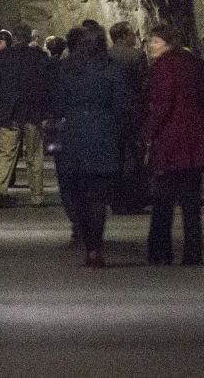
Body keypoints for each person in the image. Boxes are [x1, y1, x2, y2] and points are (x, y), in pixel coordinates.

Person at [54, 25, 134, 267]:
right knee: (98, 195)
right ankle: (94, 247)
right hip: (103, 135)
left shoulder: (66, 69)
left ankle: (84, 234)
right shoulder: (112, 69)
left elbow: (57, 103)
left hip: (74, 135)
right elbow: (123, 104)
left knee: (76, 190)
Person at [143, 22, 204, 266]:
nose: (151, 46)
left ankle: (160, 251)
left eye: (154, 41)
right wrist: (202, 110)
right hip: (193, 140)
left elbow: (163, 104)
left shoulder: (163, 68)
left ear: (167, 43)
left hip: (170, 142)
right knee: (190, 204)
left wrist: (148, 133)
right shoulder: (192, 63)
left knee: (163, 202)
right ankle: (193, 252)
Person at [0, 24, 54, 207]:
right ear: (29, 37)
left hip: (8, 114)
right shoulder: (39, 58)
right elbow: (46, 87)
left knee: (6, 154)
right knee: (34, 156)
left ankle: (0, 191)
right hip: (32, 113)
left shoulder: (2, 57)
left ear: (14, 38)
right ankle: (37, 196)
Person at [109, 21, 151, 213]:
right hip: (133, 112)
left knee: (115, 156)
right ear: (124, 35)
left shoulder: (105, 56)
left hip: (111, 114)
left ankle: (116, 199)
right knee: (133, 156)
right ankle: (133, 199)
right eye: (132, 33)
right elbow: (145, 86)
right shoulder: (137, 56)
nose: (135, 36)